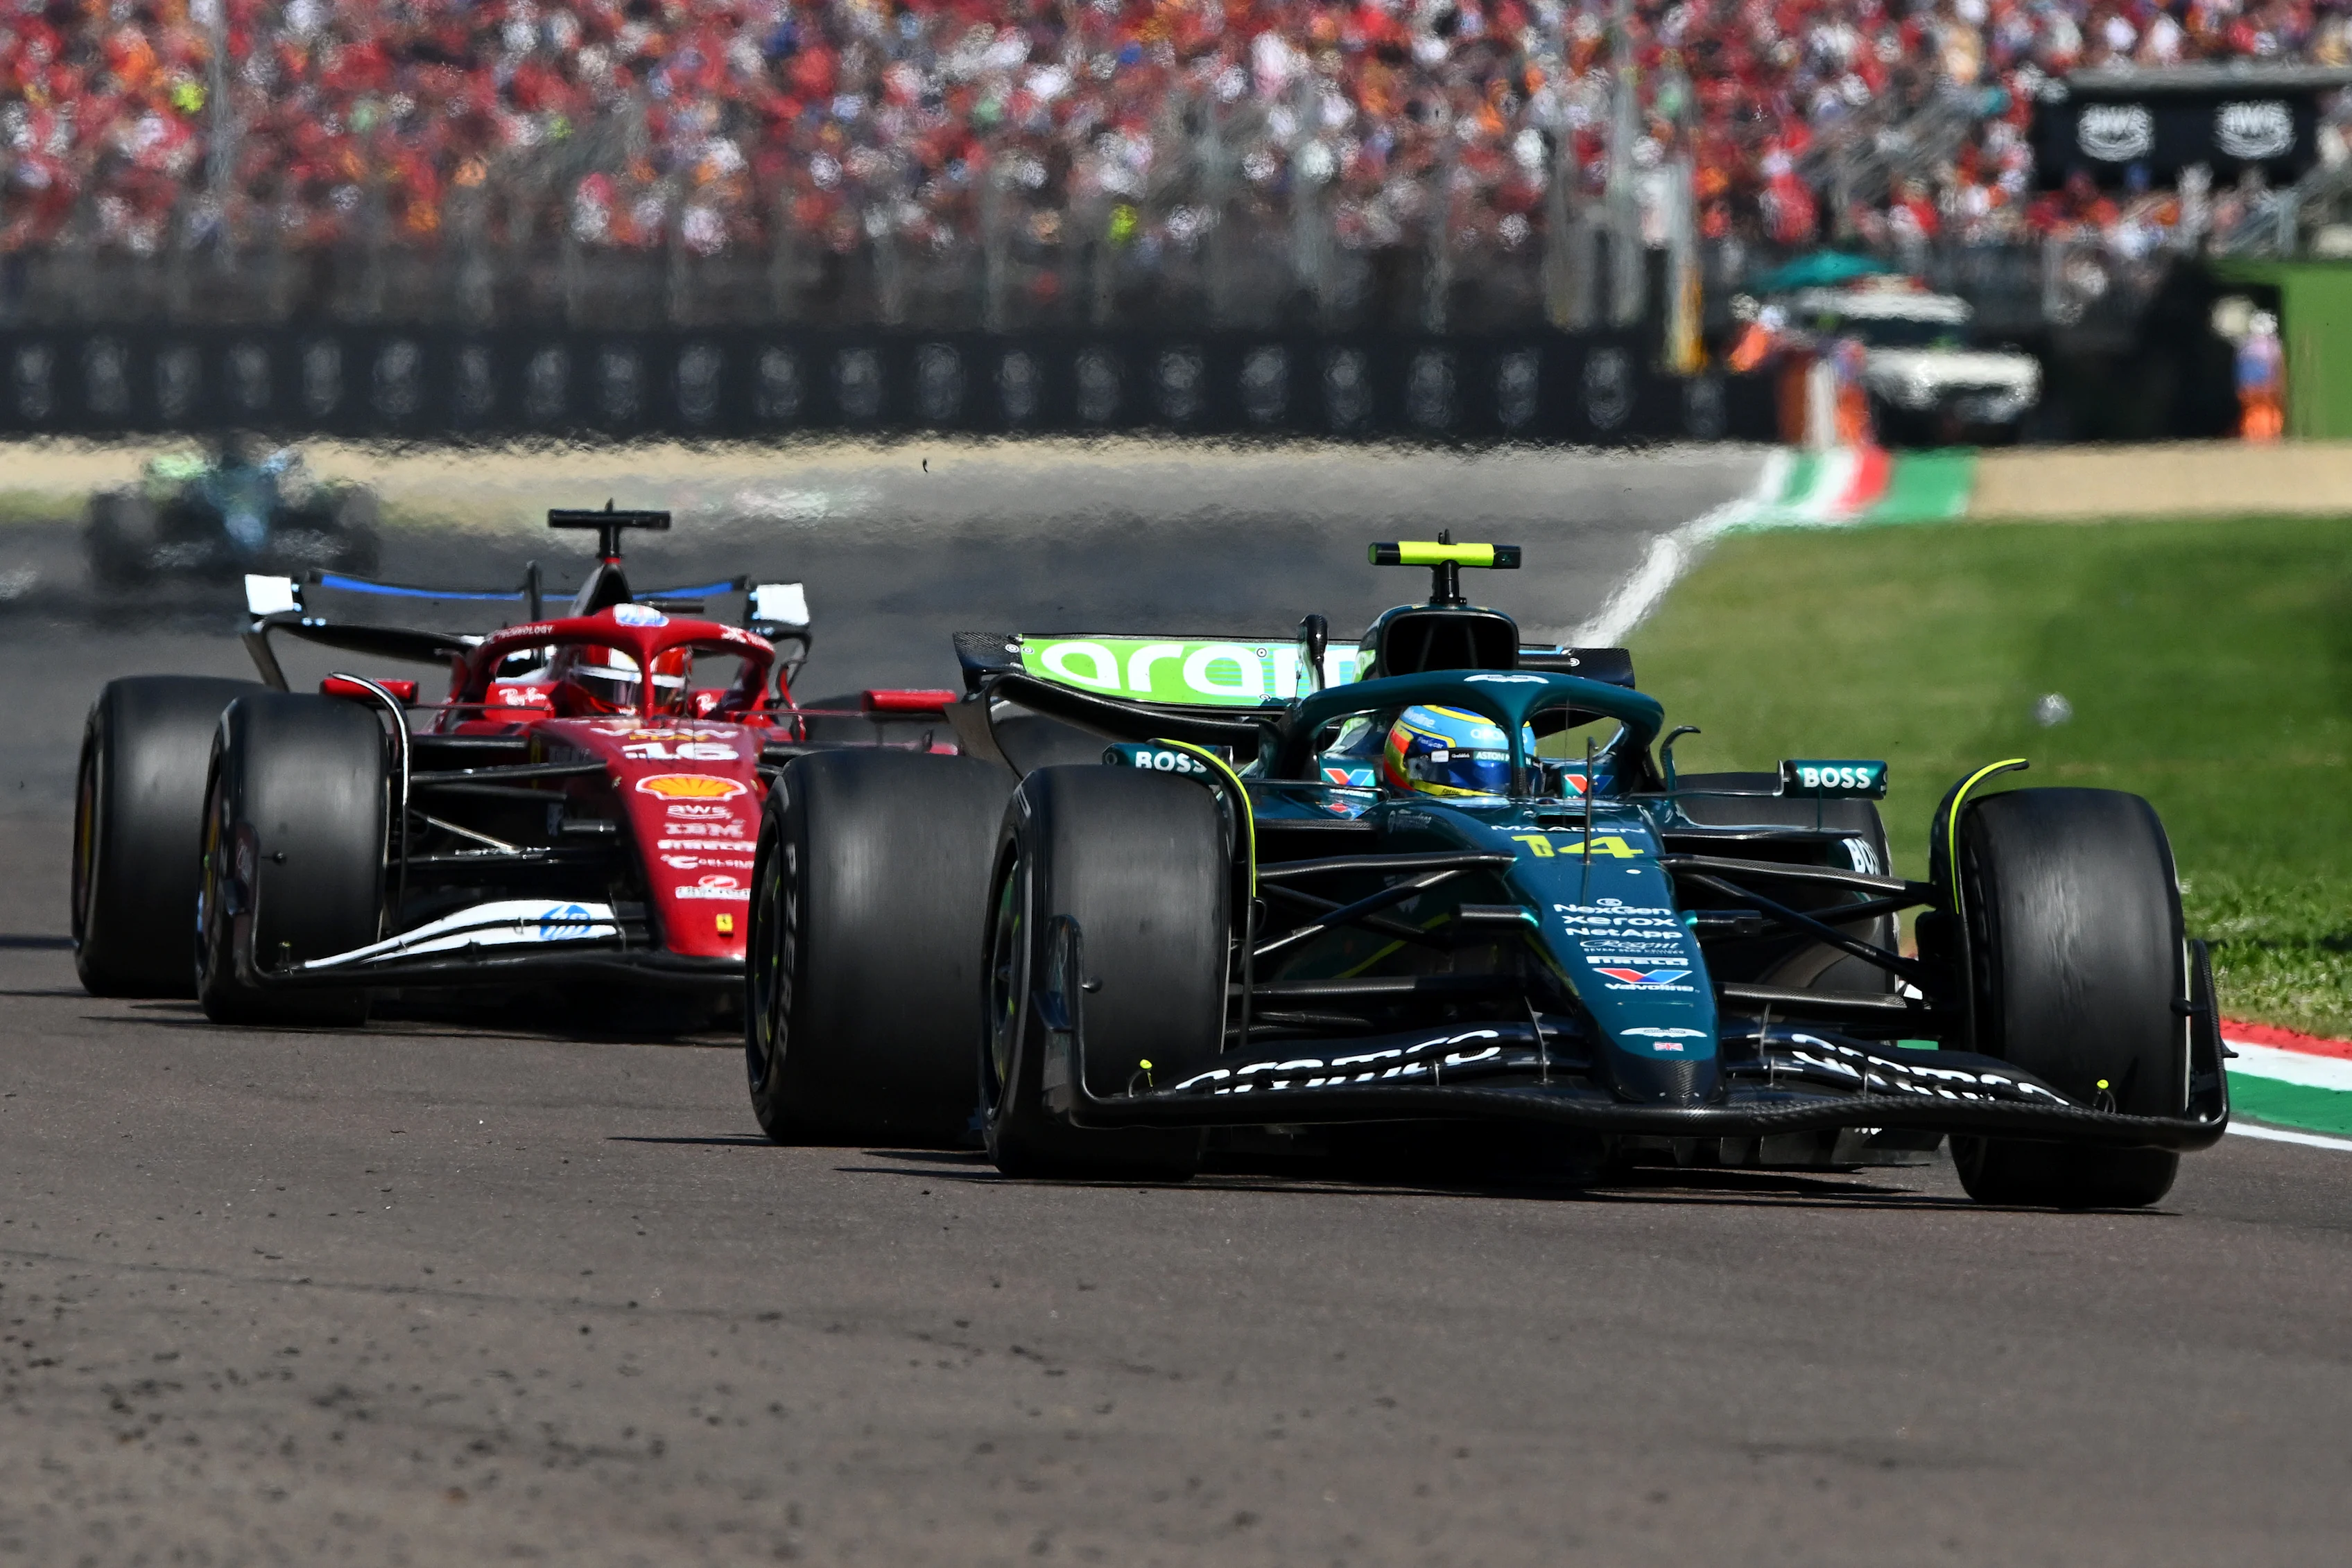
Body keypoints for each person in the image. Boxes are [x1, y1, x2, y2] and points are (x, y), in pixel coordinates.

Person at [2238, 309, 2285, 442]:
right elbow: (2278, 365)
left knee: (2253, 412)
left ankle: (2255, 436)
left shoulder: (2246, 345)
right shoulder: (2274, 345)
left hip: (2252, 386)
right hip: (2266, 385)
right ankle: (2267, 436)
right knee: (2266, 411)